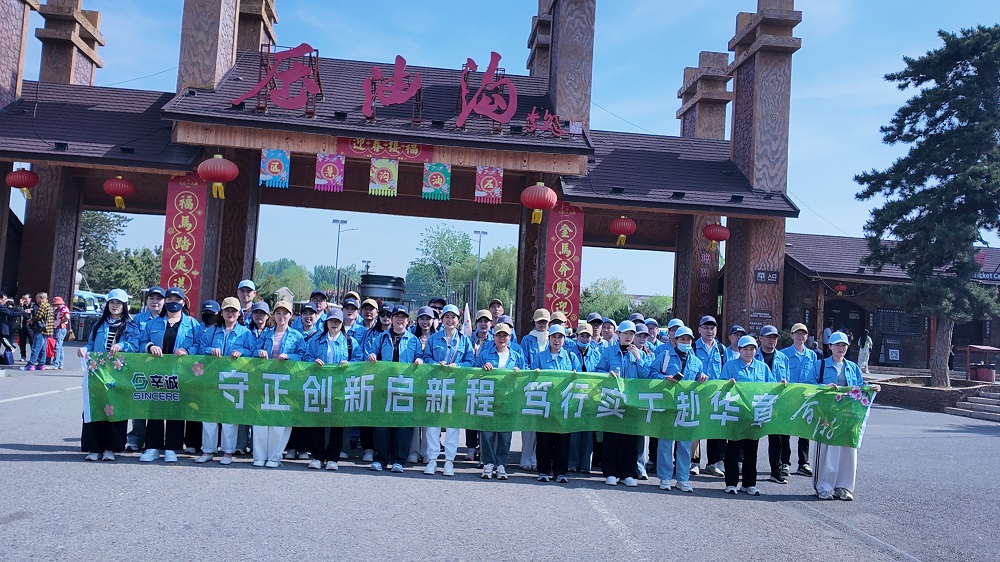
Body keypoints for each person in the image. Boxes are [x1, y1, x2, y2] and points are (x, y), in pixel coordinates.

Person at [804, 331, 881, 501]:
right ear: (830, 346)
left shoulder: (852, 367)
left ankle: (843, 487)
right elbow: (809, 386)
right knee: (827, 451)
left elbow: (859, 387)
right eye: (837, 345)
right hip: (827, 415)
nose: (841, 348)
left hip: (848, 416)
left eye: (844, 345)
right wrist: (824, 387)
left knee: (848, 451)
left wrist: (871, 388)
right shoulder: (820, 365)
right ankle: (823, 486)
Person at [138, 287, 200, 464]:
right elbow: (141, 341)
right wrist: (150, 346)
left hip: (180, 374)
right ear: (165, 302)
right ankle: (152, 447)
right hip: (157, 372)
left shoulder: (192, 324)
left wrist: (187, 350)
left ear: (183, 302)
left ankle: (172, 447)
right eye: (170, 299)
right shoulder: (153, 323)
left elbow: (200, 345)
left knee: (175, 410)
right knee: (155, 408)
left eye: (177, 299)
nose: (173, 303)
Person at [78, 289, 139, 461]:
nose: (115, 306)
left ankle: (111, 448)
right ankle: (94, 448)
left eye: (118, 303)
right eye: (112, 302)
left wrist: (122, 345)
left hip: (118, 374)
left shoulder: (131, 325)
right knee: (95, 408)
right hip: (98, 373)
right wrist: (84, 349)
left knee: (115, 409)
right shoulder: (99, 324)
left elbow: (135, 346)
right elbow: (91, 344)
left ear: (124, 305)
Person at [245, 300, 305, 467]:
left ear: (290, 315)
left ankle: (274, 457)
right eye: (278, 313)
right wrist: (260, 352)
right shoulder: (266, 334)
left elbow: (303, 356)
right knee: (261, 418)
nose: (281, 316)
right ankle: (259, 456)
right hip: (265, 381)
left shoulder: (297, 336)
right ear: (273, 315)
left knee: (280, 421)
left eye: (285, 313)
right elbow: (253, 351)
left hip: (286, 383)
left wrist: (289, 357)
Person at [303, 307, 362, 471]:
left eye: (337, 321)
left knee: (337, 424)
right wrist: (313, 361)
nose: (334, 324)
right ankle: (317, 457)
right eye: (331, 321)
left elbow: (358, 359)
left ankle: (332, 458)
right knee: (317, 422)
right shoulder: (316, 340)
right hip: (319, 386)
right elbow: (306, 356)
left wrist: (349, 364)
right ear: (326, 322)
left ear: (342, 323)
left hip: (339, 387)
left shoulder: (349, 342)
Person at [420, 304, 475, 476]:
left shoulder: (464, 340)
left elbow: (470, 362)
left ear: (458, 320)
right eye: (447, 317)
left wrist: (457, 366)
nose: (450, 320)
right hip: (436, 385)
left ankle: (449, 461)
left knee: (453, 425)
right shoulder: (433, 339)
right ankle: (432, 459)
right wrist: (436, 365)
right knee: (433, 424)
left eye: (453, 317)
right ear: (442, 319)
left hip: (455, 387)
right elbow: (426, 357)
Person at [367, 305, 423, 473]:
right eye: (397, 316)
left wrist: (420, 360)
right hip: (384, 386)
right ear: (391, 319)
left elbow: (421, 357)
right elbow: (370, 353)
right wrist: (371, 356)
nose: (400, 320)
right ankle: (381, 459)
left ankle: (399, 460)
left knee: (403, 426)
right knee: (381, 425)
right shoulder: (381, 338)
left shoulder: (414, 340)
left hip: (405, 387)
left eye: (403, 317)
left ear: (408, 320)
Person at [720, 335, 777, 496]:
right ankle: (731, 483)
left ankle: (749, 484)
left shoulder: (762, 367)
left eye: (752, 349)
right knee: (733, 449)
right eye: (745, 349)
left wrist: (781, 385)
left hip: (754, 415)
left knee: (752, 450)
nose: (749, 352)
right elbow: (721, 387)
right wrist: (727, 384)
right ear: (739, 350)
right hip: (736, 414)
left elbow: (771, 386)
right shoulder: (730, 366)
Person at [195, 297, 250, 466]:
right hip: (212, 378)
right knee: (209, 416)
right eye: (227, 310)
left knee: (229, 418)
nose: (230, 313)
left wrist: (241, 352)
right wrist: (210, 350)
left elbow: (252, 351)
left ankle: (228, 452)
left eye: (234, 311)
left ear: (239, 313)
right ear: (222, 313)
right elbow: (200, 348)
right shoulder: (211, 331)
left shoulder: (245, 333)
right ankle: (208, 450)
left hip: (233, 380)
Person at [595, 320, 648, 487]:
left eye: (632, 334)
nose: (629, 336)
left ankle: (627, 473)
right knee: (611, 437)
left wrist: (638, 358)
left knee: (629, 439)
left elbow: (646, 376)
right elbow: (598, 371)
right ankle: (610, 472)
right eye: (625, 333)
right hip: (613, 400)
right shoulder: (609, 352)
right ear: (618, 334)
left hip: (632, 402)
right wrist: (607, 375)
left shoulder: (640, 353)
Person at [649, 326, 700, 492]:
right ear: (675, 340)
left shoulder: (696, 361)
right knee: (665, 442)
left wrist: (702, 378)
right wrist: (665, 378)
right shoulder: (664, 356)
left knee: (684, 444)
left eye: (688, 339)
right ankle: (665, 477)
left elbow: (700, 381)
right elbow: (651, 373)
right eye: (682, 339)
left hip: (687, 406)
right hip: (668, 405)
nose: (685, 342)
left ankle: (683, 479)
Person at [474, 322, 525, 480]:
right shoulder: (485, 354)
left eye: (505, 335)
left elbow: (525, 376)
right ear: (493, 337)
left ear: (510, 337)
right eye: (499, 335)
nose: (502, 338)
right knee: (487, 434)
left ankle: (501, 464)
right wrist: (483, 368)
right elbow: (473, 372)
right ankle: (488, 463)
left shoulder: (516, 356)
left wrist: (519, 372)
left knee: (505, 435)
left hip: (508, 400)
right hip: (489, 398)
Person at [531, 324, 580, 483]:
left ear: (564, 339)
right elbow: (531, 379)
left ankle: (560, 472)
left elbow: (580, 380)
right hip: (545, 404)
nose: (557, 340)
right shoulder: (539, 357)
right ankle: (543, 471)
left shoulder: (571, 357)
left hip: (564, 405)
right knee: (544, 439)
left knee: (562, 440)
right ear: (549, 339)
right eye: (554, 337)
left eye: (560, 337)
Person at [127, 286, 167, 450]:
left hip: (165, 368)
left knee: (162, 403)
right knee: (140, 401)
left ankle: (157, 439)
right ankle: (136, 438)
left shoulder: (171, 318)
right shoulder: (138, 319)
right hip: (142, 367)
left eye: (158, 299)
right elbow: (134, 341)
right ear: (147, 300)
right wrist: (149, 346)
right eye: (152, 298)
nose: (155, 302)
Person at [755, 325, 793, 484]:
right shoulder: (753, 354)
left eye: (774, 337)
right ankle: (746, 469)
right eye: (769, 337)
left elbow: (788, 379)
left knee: (777, 439)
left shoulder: (783, 358)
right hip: (756, 402)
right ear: (760, 338)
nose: (772, 340)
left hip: (776, 403)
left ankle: (775, 471)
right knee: (751, 437)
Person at [691, 315, 726, 477]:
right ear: (699, 329)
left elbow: (726, 370)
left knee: (715, 427)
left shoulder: (721, 349)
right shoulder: (692, 347)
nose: (709, 331)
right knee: (695, 427)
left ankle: (713, 462)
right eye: (706, 327)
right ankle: (694, 462)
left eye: (712, 328)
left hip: (716, 394)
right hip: (697, 393)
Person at [780, 322, 817, 477]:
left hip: (806, 398)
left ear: (807, 336)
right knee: (785, 431)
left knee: (804, 431)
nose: (800, 336)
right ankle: (785, 462)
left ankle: (803, 463)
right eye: (797, 333)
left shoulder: (812, 355)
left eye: (803, 333)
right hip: (788, 397)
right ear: (792, 335)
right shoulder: (783, 354)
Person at [566, 323, 600, 473]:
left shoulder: (597, 355)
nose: (585, 339)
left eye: (587, 336)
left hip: (591, 397)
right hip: (573, 397)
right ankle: (572, 463)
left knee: (588, 431)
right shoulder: (569, 353)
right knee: (574, 432)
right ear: (576, 336)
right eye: (582, 336)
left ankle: (585, 464)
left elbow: (601, 373)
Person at [23, 292, 52, 371]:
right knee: (43, 349)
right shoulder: (49, 306)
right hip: (47, 330)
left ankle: (31, 364)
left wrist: (31, 320)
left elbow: (38, 316)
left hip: (40, 329)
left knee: (35, 347)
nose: (36, 300)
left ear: (41, 298)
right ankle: (41, 364)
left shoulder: (43, 306)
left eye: (37, 298)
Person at [49, 296, 69, 369]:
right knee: (60, 346)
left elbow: (67, 317)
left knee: (57, 346)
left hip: (60, 328)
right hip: (59, 328)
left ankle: (56, 363)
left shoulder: (63, 309)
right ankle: (60, 363)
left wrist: (60, 322)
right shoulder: (60, 309)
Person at [15, 293, 31, 361]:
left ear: (29, 299)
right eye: (23, 298)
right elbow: (16, 313)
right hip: (21, 325)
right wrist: (21, 306)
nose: (24, 300)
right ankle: (23, 356)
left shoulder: (32, 305)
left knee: (32, 341)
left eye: (25, 299)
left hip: (30, 326)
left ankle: (33, 356)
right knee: (22, 342)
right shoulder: (20, 306)